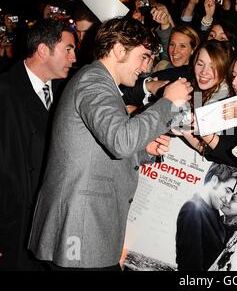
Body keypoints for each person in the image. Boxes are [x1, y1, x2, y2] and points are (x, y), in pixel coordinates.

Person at [28, 17, 192, 270]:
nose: (145, 67)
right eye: (143, 56)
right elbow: (120, 142)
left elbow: (101, 146)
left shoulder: (99, 81)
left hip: (86, 228)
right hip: (81, 230)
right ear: (118, 50)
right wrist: (168, 102)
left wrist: (143, 149)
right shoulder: (94, 81)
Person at [0, 19, 77, 270]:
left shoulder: (67, 89)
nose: (74, 57)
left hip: (52, 223)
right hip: (16, 227)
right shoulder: (5, 92)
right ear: (43, 50)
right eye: (68, 49)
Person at [175, 163, 237, 271]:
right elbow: (190, 268)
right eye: (228, 191)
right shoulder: (192, 209)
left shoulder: (213, 210)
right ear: (214, 181)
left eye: (232, 195)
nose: (228, 199)